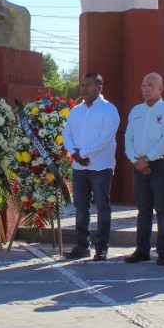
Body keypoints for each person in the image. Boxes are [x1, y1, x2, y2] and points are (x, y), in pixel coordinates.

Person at [62, 72, 120, 261]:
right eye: (82, 85)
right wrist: (75, 154)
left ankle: (101, 247)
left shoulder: (109, 110)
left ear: (99, 88)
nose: (84, 88)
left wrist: (83, 153)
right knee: (81, 208)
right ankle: (82, 246)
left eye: (88, 85)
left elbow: (106, 137)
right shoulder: (76, 110)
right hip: (79, 167)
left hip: (101, 167)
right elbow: (66, 133)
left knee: (102, 206)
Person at [123, 73, 164, 266]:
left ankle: (163, 252)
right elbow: (128, 138)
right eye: (143, 86)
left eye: (150, 86)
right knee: (143, 209)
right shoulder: (136, 111)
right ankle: (142, 250)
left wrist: (147, 159)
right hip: (138, 165)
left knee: (162, 210)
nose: (146, 89)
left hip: (160, 165)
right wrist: (136, 160)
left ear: (160, 88)